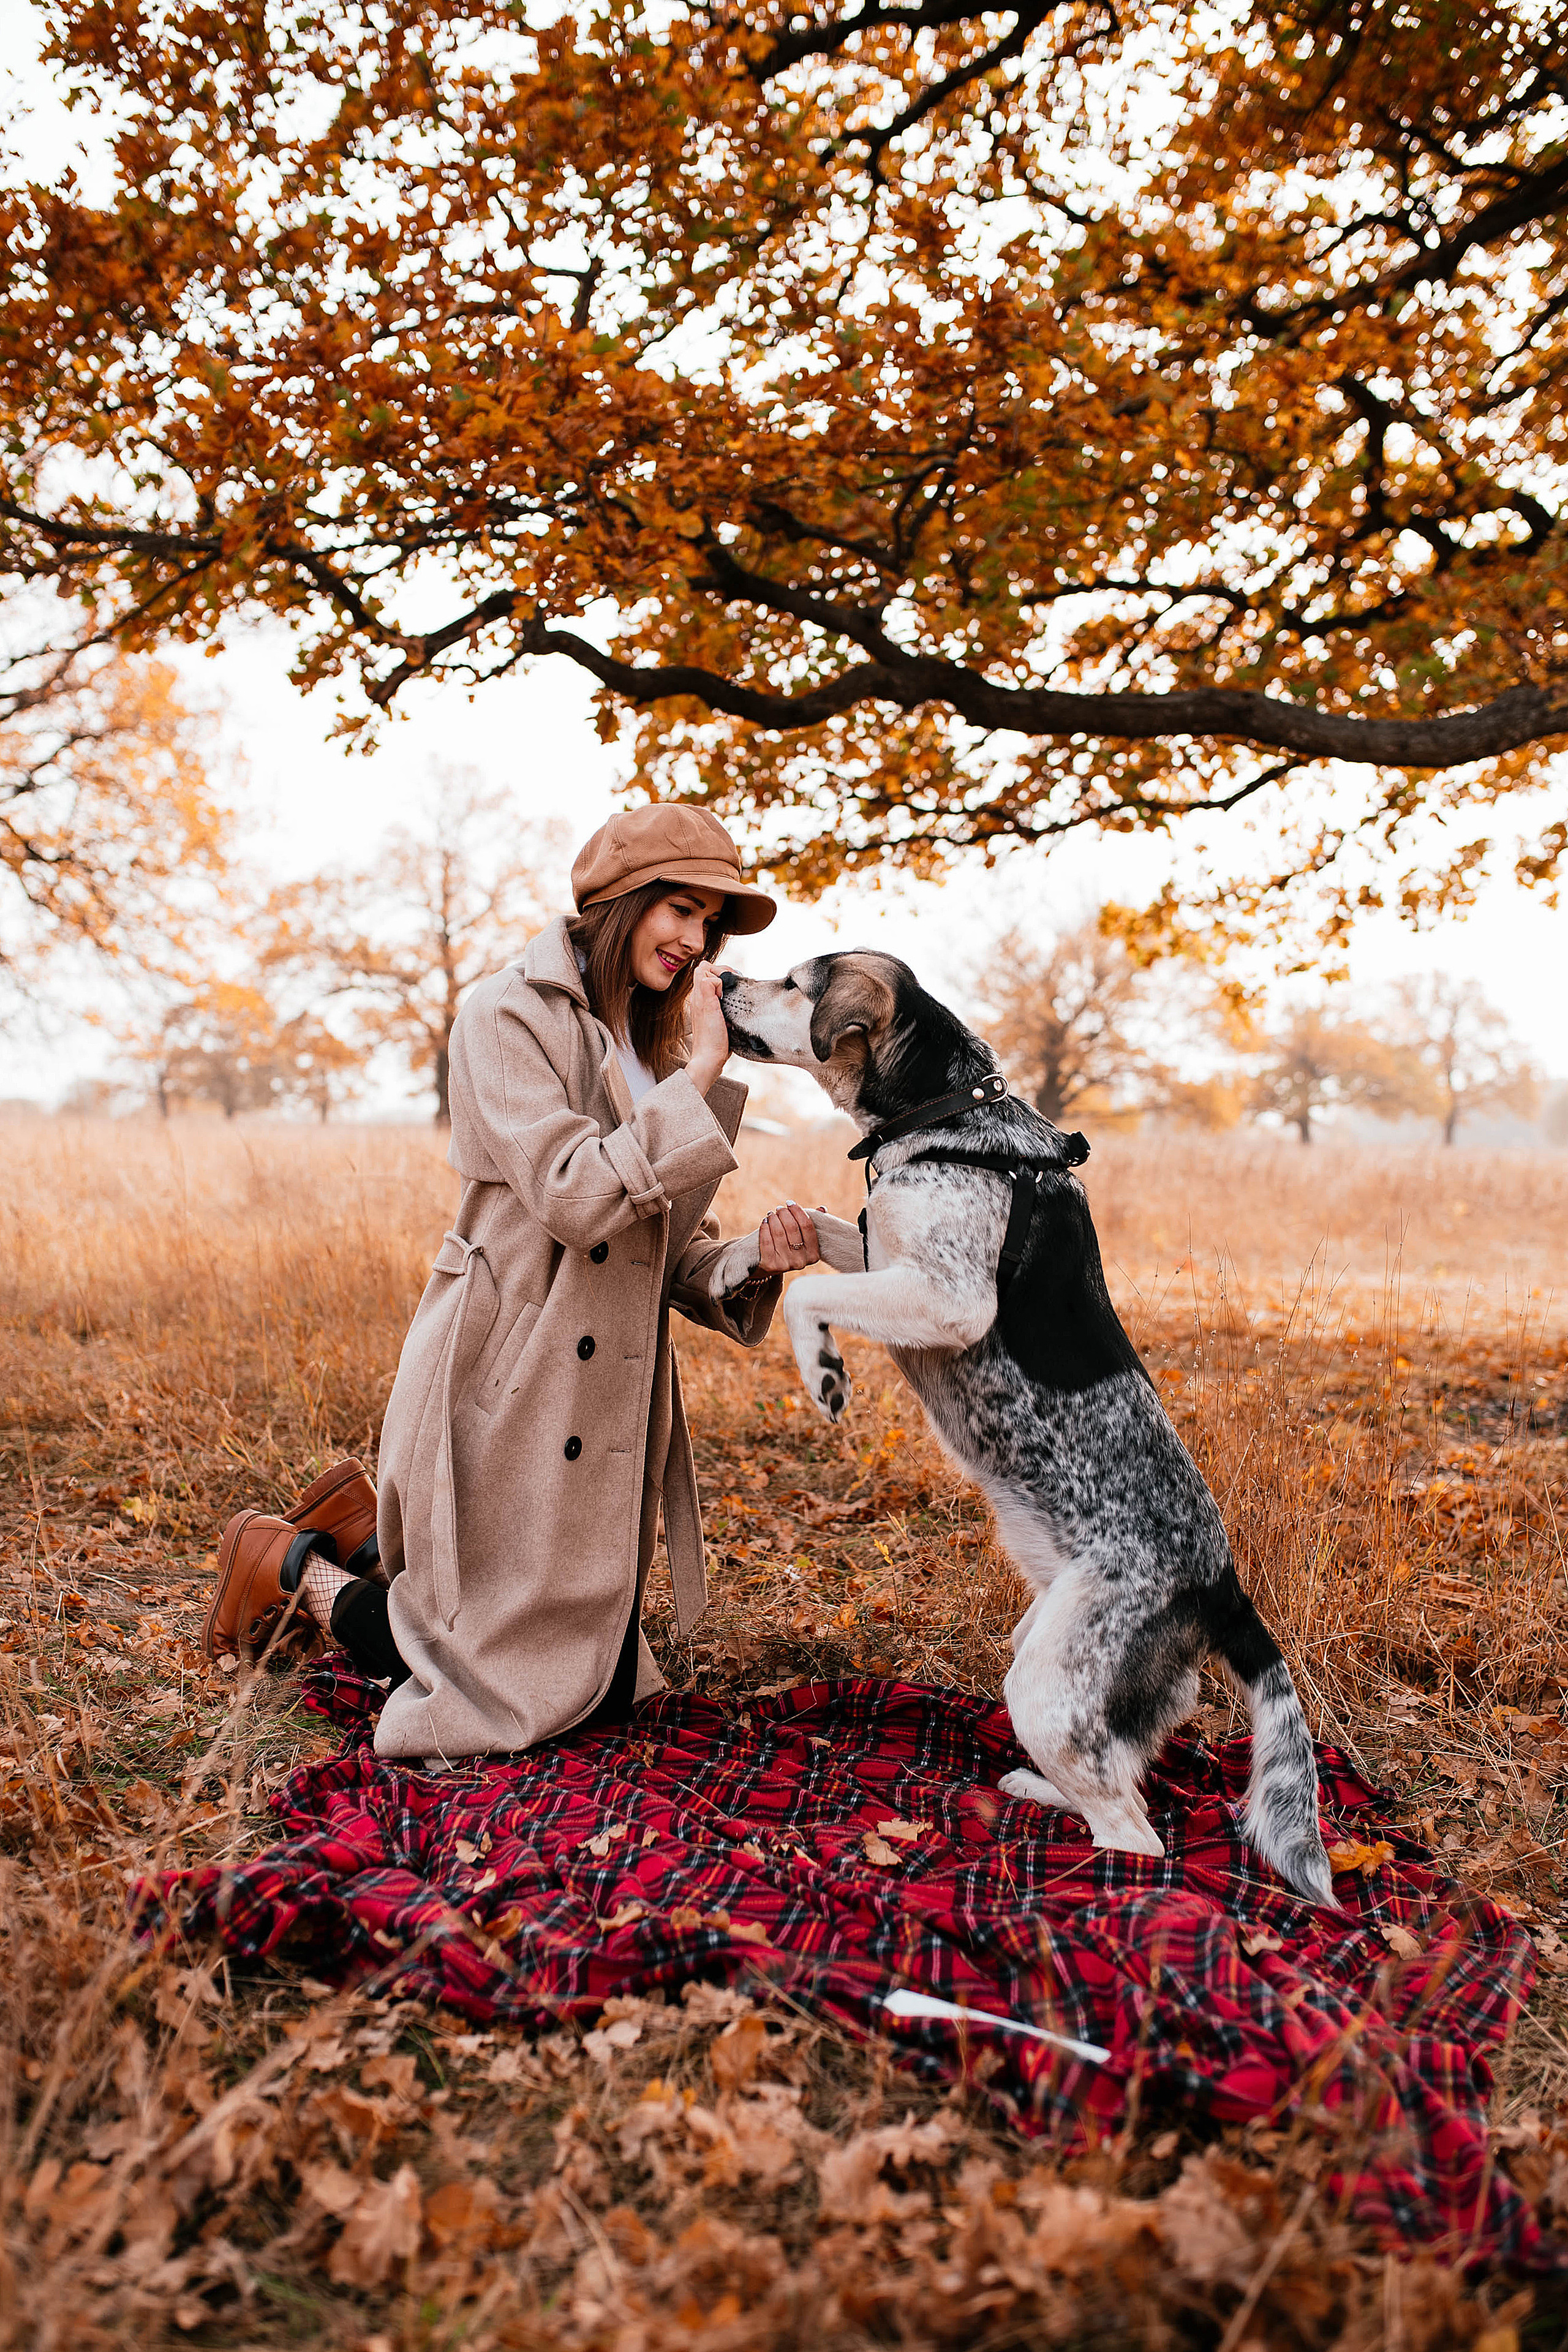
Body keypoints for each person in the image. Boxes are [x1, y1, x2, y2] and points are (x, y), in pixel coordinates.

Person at [202, 805, 821, 1757]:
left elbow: (653, 1249)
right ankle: (290, 1568)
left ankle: (374, 1544)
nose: (697, 942)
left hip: (602, 1397)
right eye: (680, 910)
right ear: (623, 901)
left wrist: (752, 1260)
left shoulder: (651, 1047)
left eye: (711, 924)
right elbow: (577, 1198)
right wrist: (701, 1074)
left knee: (598, 1688)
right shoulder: (506, 1013)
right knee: (491, 1692)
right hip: (508, 1377)